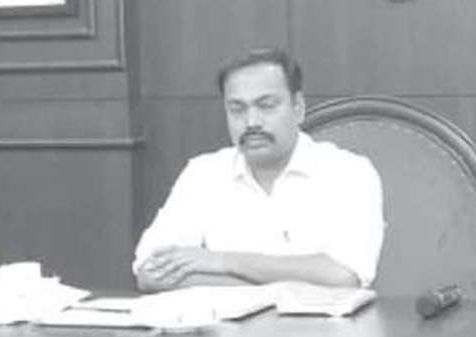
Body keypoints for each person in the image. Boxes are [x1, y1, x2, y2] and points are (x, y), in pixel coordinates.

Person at [132, 49, 385, 292]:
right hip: (224, 323)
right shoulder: (203, 173)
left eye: (266, 106)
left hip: (318, 324)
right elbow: (150, 272)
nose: (251, 122)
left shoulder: (348, 172)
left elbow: (343, 276)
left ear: (298, 108)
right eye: (237, 109)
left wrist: (222, 261)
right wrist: (283, 287)